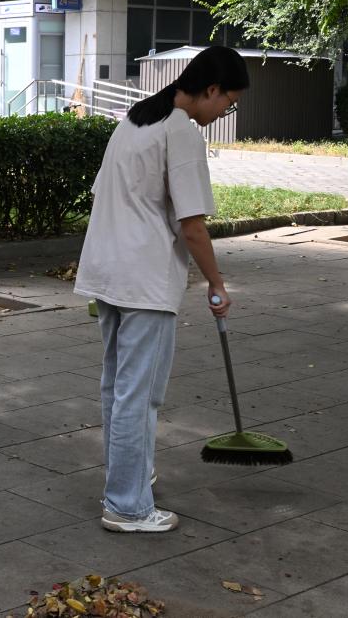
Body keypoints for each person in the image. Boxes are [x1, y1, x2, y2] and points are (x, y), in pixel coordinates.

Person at [74, 46, 249, 533]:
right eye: (228, 103)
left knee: (118, 388)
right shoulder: (181, 132)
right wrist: (216, 281)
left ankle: (131, 475)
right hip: (145, 279)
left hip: (109, 271)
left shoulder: (135, 120)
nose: (224, 112)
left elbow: (104, 193)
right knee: (139, 394)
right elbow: (192, 226)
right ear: (211, 89)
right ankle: (127, 505)